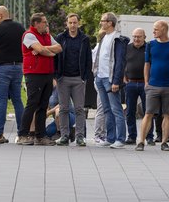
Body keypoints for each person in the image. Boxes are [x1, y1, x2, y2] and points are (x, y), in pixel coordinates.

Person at [135, 20, 169, 152]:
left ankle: (164, 142)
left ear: (164, 29)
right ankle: (141, 141)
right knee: (148, 113)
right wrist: (146, 82)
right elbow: (147, 64)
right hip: (153, 85)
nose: (153, 31)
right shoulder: (150, 45)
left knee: (168, 114)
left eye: (156, 29)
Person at [16, 13, 62, 146]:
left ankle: (40, 135)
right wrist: (46, 51)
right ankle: (23, 134)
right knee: (32, 103)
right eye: (44, 22)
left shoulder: (47, 36)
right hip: (34, 74)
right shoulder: (29, 35)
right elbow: (41, 50)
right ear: (36, 23)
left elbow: (58, 48)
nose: (46, 24)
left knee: (43, 105)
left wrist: (44, 50)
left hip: (47, 73)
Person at [0, 6, 26, 144]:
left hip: (2, 68)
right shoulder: (20, 28)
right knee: (17, 100)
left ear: (0, 15)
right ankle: (22, 133)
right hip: (18, 68)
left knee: (1, 100)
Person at [54, 13, 92, 146]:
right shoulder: (60, 38)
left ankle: (80, 137)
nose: (72, 25)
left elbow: (88, 59)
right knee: (63, 109)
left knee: (79, 109)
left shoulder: (84, 39)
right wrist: (56, 75)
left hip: (78, 79)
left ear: (78, 23)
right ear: (67, 24)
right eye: (70, 23)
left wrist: (85, 77)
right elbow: (55, 57)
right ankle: (64, 136)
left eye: (75, 22)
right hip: (63, 78)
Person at [92, 12, 129, 149]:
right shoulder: (104, 38)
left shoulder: (118, 39)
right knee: (106, 109)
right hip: (100, 78)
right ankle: (110, 137)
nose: (101, 23)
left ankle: (120, 139)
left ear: (110, 23)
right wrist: (96, 76)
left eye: (103, 20)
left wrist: (116, 81)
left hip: (110, 79)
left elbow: (120, 62)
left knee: (116, 109)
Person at [124, 28, 154, 145]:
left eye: (139, 36)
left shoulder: (149, 48)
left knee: (148, 111)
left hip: (145, 83)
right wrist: (123, 75)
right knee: (130, 111)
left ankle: (149, 137)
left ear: (144, 37)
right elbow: (122, 62)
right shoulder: (127, 48)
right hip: (130, 83)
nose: (136, 39)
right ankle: (131, 136)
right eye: (134, 36)